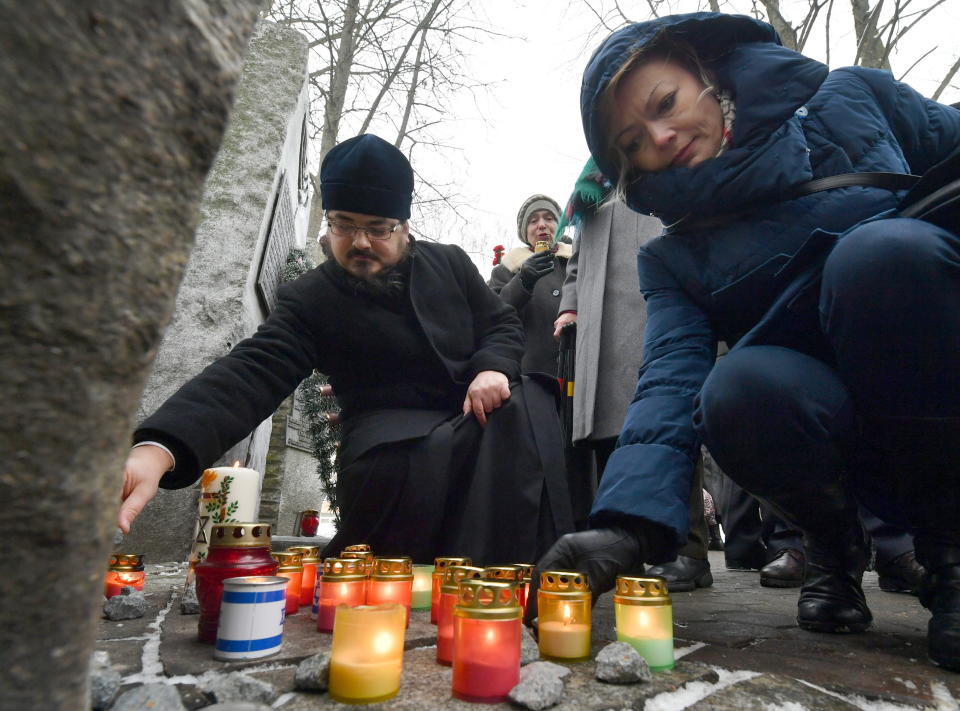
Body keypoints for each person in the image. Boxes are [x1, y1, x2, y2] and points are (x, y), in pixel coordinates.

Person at [531, 12, 960, 671]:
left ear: (705, 70)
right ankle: (831, 544)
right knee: (734, 391)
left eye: (664, 103)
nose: (661, 136)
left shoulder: (854, 99)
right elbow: (670, 380)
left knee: (879, 256)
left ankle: (950, 550)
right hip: (824, 425)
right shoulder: (675, 258)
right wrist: (625, 526)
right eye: (633, 141)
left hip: (932, 374)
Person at [119, 133, 576, 565]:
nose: (359, 243)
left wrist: (491, 370)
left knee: (531, 403)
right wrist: (160, 447)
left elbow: (500, 324)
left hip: (476, 413)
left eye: (377, 228)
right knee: (419, 458)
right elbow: (252, 370)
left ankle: (517, 580)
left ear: (404, 227)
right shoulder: (312, 298)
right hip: (391, 441)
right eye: (344, 225)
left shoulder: (449, 263)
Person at [553, 162, 713, 591]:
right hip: (598, 333)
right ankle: (625, 547)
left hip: (653, 314)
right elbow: (577, 260)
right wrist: (569, 305)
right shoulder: (590, 189)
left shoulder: (664, 165)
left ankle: (689, 550)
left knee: (666, 427)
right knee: (608, 437)